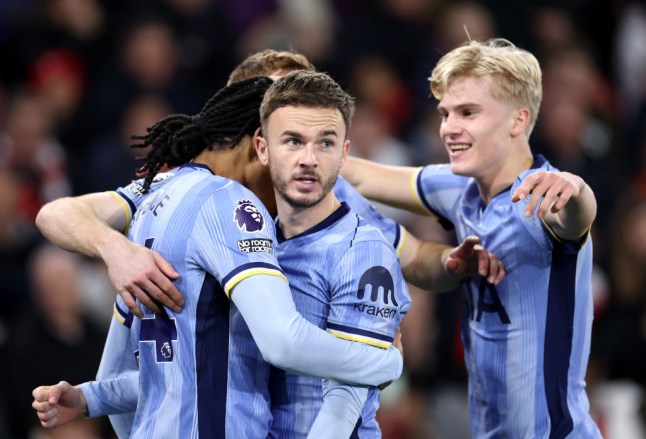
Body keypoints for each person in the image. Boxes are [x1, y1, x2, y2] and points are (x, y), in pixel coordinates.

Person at [31, 50, 503, 438]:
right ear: (260, 141)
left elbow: (339, 403)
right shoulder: (231, 209)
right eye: (289, 137)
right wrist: (384, 359)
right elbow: (261, 348)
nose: (302, 157)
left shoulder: (161, 198)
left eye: (319, 139)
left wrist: (93, 396)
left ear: (342, 149)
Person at [340, 38, 602, 438]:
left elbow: (576, 215)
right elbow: (356, 175)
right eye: (445, 113)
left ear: (518, 120)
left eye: (468, 113)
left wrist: (576, 188)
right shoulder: (458, 188)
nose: (449, 128)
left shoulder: (540, 199)